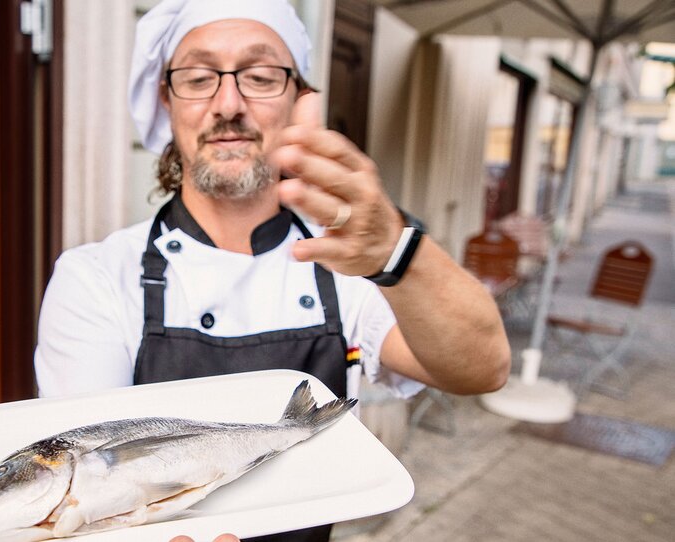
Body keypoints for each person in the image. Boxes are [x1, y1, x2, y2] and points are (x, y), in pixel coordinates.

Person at [34, 0, 511, 540]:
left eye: (261, 77)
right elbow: (83, 486)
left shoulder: (349, 267)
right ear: (167, 101)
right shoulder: (96, 278)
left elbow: (480, 370)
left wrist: (397, 249)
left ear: (298, 100)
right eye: (197, 77)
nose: (229, 102)